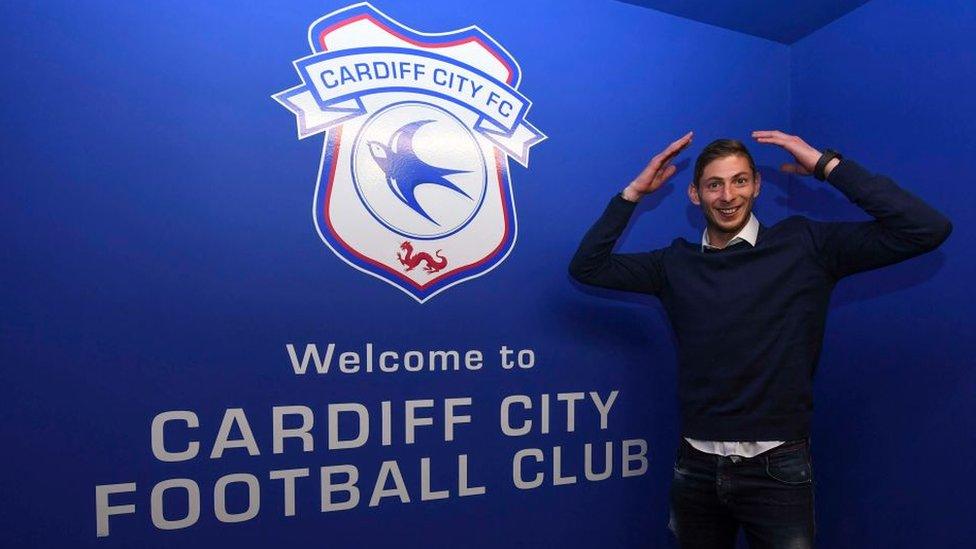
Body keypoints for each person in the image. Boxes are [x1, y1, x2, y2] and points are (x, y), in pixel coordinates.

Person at [568, 130, 952, 548]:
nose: (728, 195)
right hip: (695, 466)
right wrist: (634, 192)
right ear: (695, 195)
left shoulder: (806, 245)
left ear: (757, 186)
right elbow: (588, 267)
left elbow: (926, 228)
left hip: (778, 469)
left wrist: (826, 166)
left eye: (740, 181)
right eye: (714, 184)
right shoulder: (673, 264)